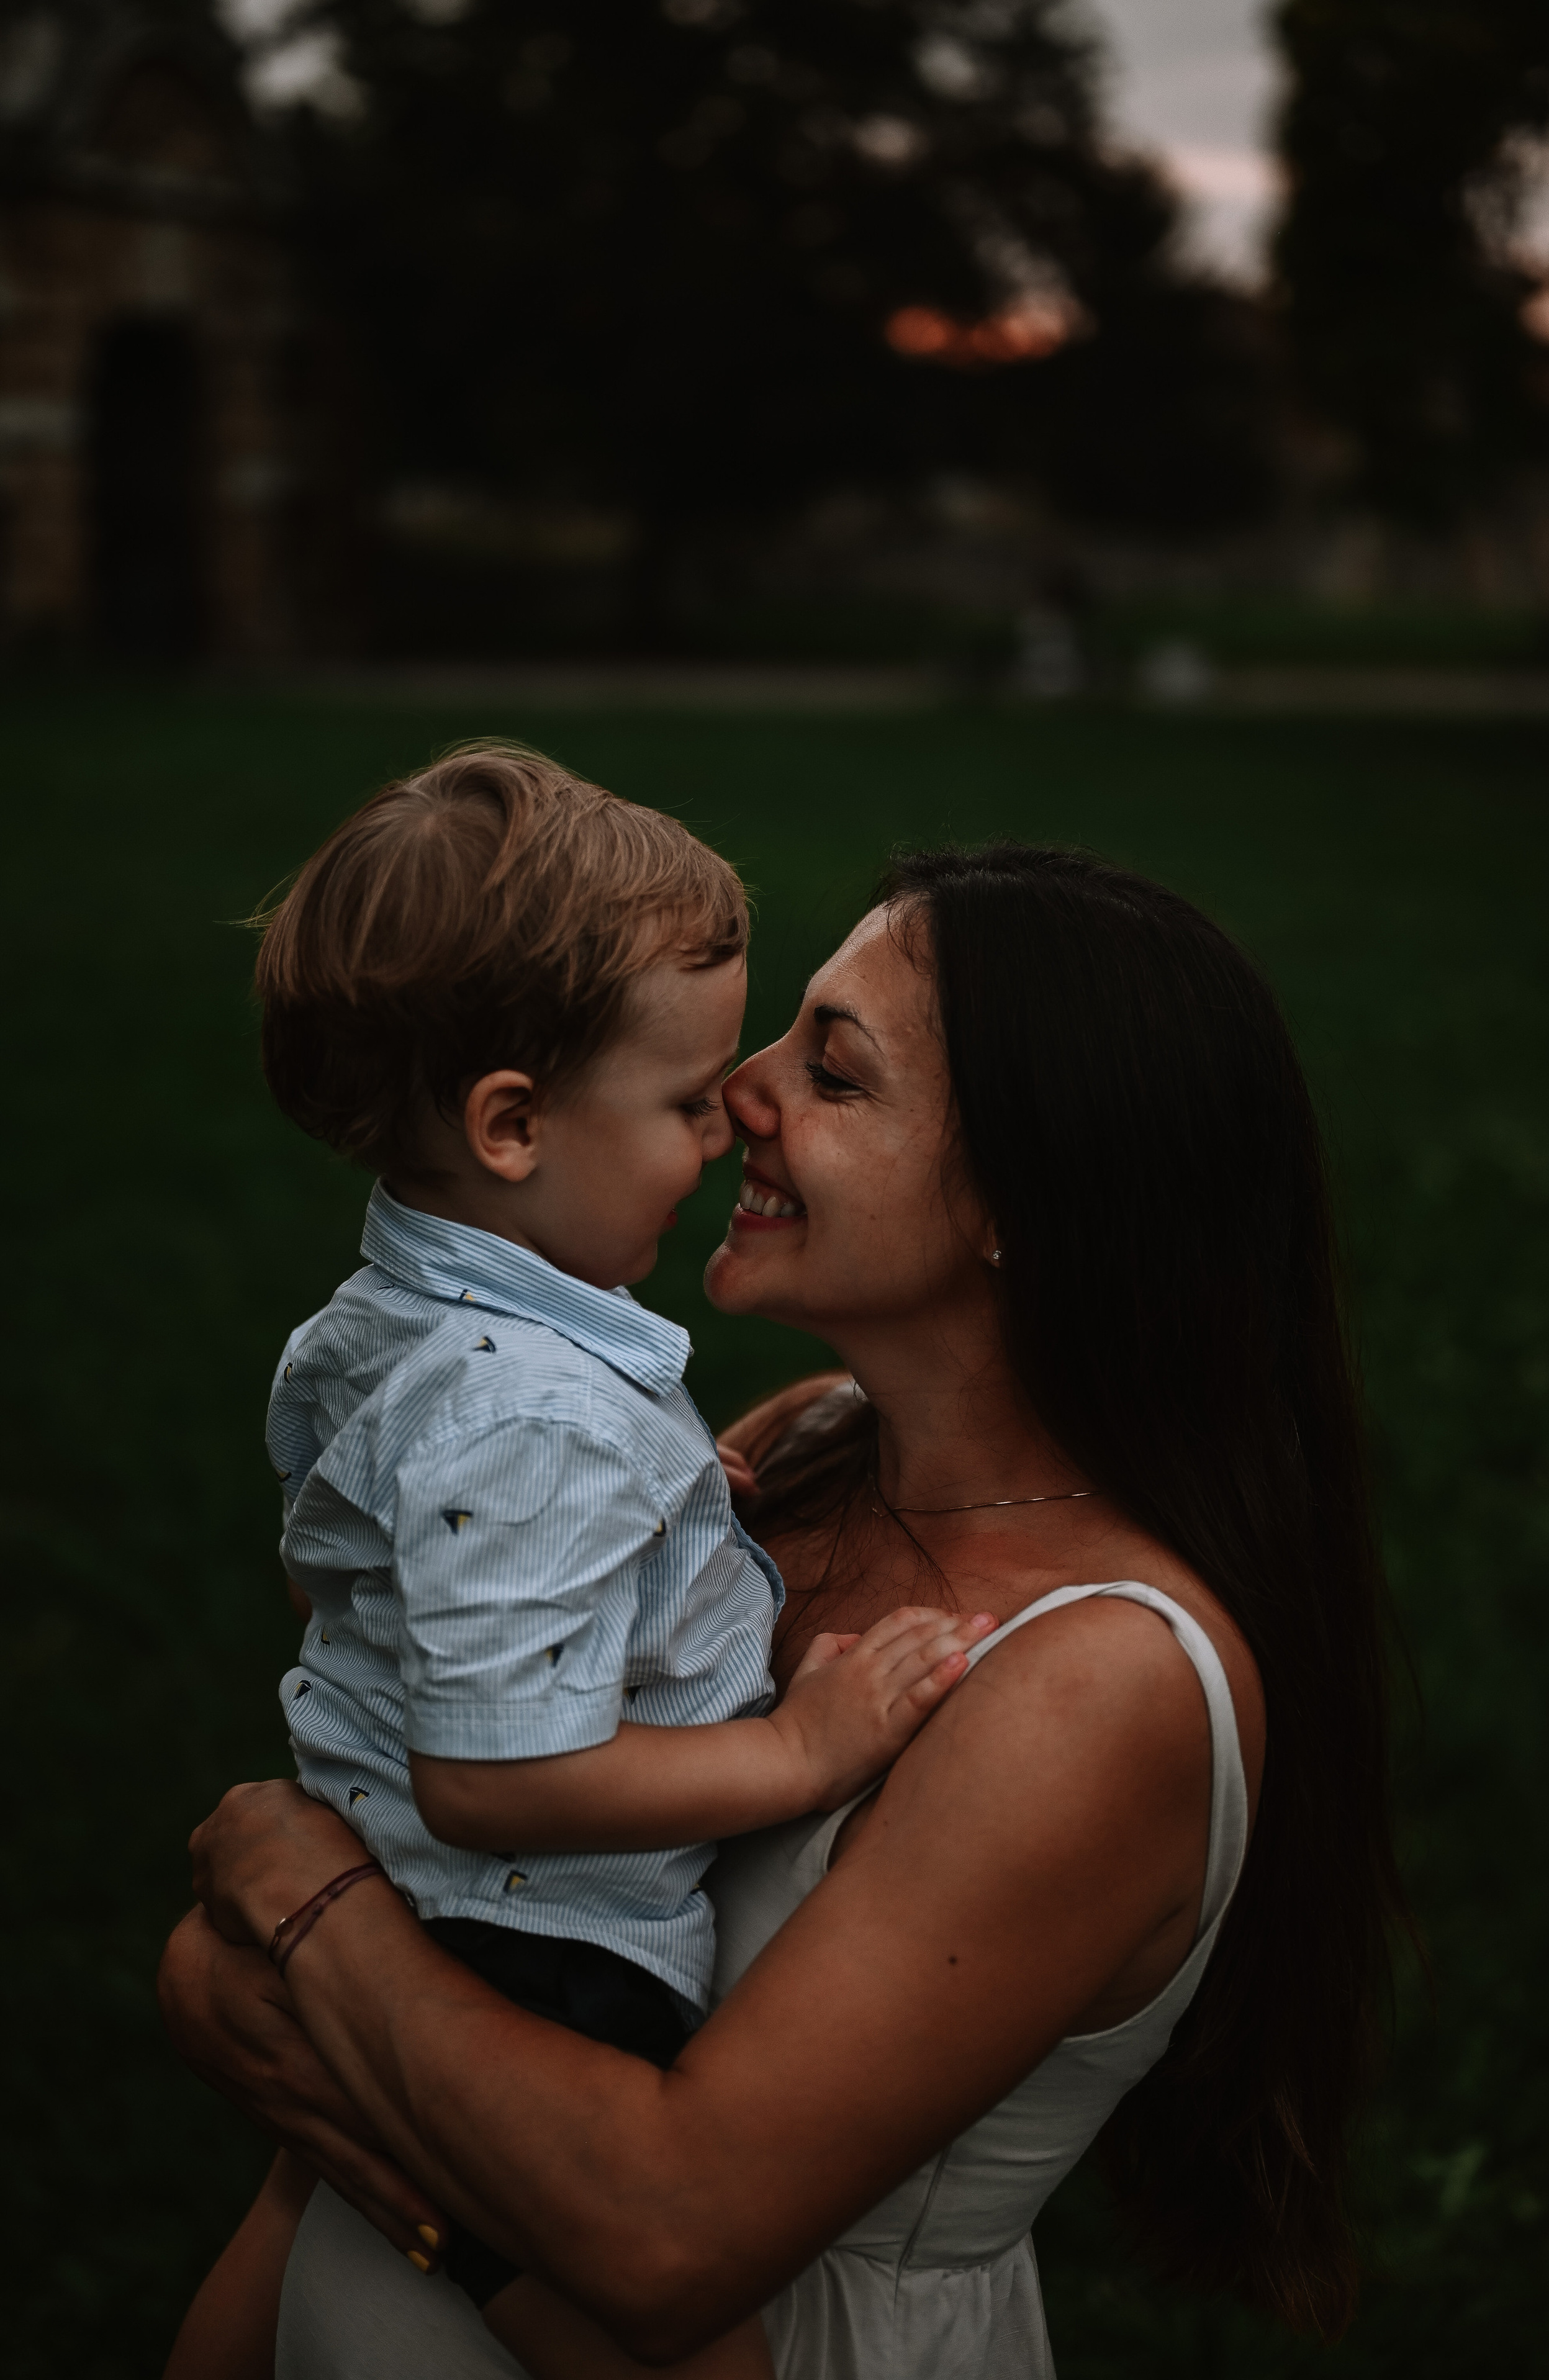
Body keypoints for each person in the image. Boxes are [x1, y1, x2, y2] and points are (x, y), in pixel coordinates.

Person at [163, 842, 1406, 2379]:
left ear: (1027, 1198)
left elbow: (659, 2239)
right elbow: (434, 1945)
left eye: (833, 1071)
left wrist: (303, 1921)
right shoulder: (801, 1451)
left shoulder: (1101, 1680)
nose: (737, 1090)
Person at [163, 752, 992, 2380]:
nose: (726, 1118)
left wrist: (647, 1513)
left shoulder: (394, 1329)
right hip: (525, 1940)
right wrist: (798, 1749)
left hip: (411, 1889)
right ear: (514, 1123)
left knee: (299, 2210)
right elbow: (492, 1778)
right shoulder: (527, 1421)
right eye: (687, 1104)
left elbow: (347, 1574)